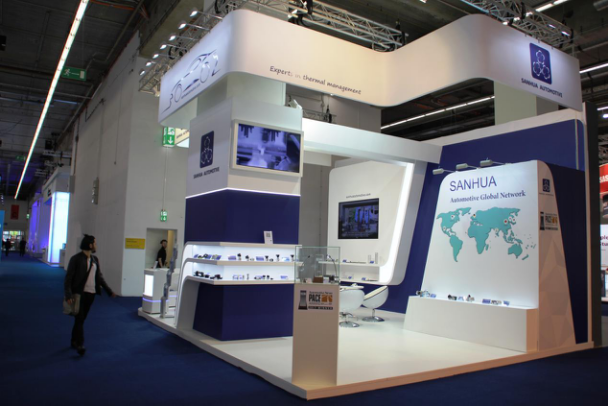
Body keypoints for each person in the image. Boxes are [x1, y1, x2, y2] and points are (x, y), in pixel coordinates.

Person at [64, 235, 116, 356]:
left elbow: (99, 277)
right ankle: (80, 344)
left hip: (91, 294)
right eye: (95, 243)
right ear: (90, 244)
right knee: (80, 318)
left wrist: (109, 291)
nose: (96, 245)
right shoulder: (76, 259)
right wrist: (68, 295)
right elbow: (68, 278)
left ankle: (74, 340)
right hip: (79, 294)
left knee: (81, 319)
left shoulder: (94, 259)